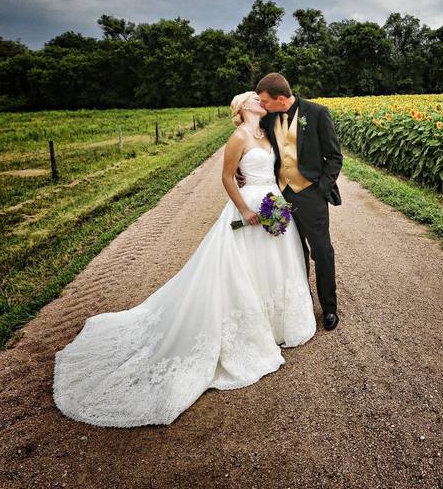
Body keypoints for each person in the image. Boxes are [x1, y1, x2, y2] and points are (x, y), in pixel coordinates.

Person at [52, 91, 316, 427]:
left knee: (276, 265)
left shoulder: (265, 133)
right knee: (242, 269)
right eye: (253, 97)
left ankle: (276, 323)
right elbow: (226, 177)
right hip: (249, 209)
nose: (258, 99)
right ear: (241, 107)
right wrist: (245, 209)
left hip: (272, 201)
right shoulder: (237, 137)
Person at [255, 73, 342, 331]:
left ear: (280, 98)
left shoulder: (317, 113)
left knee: (321, 250)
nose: (262, 105)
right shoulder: (269, 118)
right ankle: (302, 304)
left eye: (265, 101)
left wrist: (321, 189)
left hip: (310, 193)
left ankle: (329, 307)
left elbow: (334, 157)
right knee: (293, 251)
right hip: (280, 193)